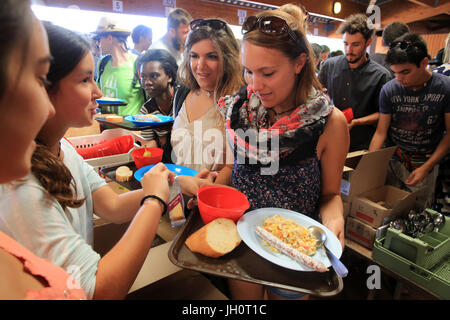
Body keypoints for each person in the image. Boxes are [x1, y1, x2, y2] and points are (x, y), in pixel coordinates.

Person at [0, 23, 211, 300]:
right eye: (85, 80)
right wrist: (154, 201)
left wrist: (175, 184)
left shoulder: (62, 148)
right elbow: (100, 290)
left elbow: (111, 205)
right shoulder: (22, 190)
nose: (98, 92)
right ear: (43, 88)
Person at [219, 7, 349, 300]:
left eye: (267, 73)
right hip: (242, 238)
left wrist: (334, 220)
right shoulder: (241, 112)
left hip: (293, 252)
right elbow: (235, 169)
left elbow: (330, 195)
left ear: (299, 63)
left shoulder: (329, 123)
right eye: (249, 71)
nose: (254, 85)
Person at [0, 0, 86, 300]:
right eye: (39, 79)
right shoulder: (20, 190)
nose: (47, 109)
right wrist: (153, 200)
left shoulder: (67, 152)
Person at [369, 33, 450, 208]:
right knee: (387, 208)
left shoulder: (444, 88)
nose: (399, 78)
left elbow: (449, 135)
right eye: (395, 72)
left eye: (405, 72)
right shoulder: (389, 90)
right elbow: (381, 132)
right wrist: (370, 164)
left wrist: (427, 167)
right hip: (396, 159)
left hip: (426, 160)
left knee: (418, 211)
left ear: (424, 63)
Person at [170, 18, 244, 183]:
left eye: (211, 57)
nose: (200, 65)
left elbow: (237, 168)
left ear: (228, 59)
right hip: (177, 197)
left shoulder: (240, 103)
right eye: (194, 56)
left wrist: (204, 193)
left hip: (213, 200)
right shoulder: (183, 92)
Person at [319, 14, 392, 151]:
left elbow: (383, 115)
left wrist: (356, 122)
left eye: (356, 45)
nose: (349, 50)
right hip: (330, 139)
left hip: (361, 143)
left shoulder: (381, 76)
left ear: (368, 42)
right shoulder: (329, 65)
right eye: (346, 44)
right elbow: (319, 92)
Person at [94, 17, 146, 115]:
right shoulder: (102, 63)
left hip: (131, 129)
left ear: (110, 38)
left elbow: (150, 100)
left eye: (99, 38)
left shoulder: (139, 64)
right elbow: (97, 95)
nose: (98, 43)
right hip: (105, 128)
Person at [137, 49, 178, 152]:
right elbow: (150, 146)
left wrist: (162, 139)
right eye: (143, 77)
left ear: (169, 76)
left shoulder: (183, 100)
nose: (147, 82)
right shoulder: (146, 111)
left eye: (154, 76)